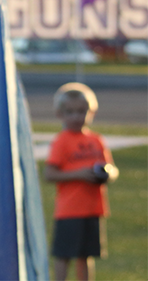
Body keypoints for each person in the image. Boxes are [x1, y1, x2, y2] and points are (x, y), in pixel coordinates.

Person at [44, 82, 118, 281]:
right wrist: (80, 174)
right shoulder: (62, 141)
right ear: (60, 114)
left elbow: (111, 167)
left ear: (91, 112)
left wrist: (107, 173)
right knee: (64, 254)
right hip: (70, 209)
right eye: (70, 112)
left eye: (82, 112)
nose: (76, 117)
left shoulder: (96, 140)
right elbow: (49, 173)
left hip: (93, 207)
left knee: (85, 255)